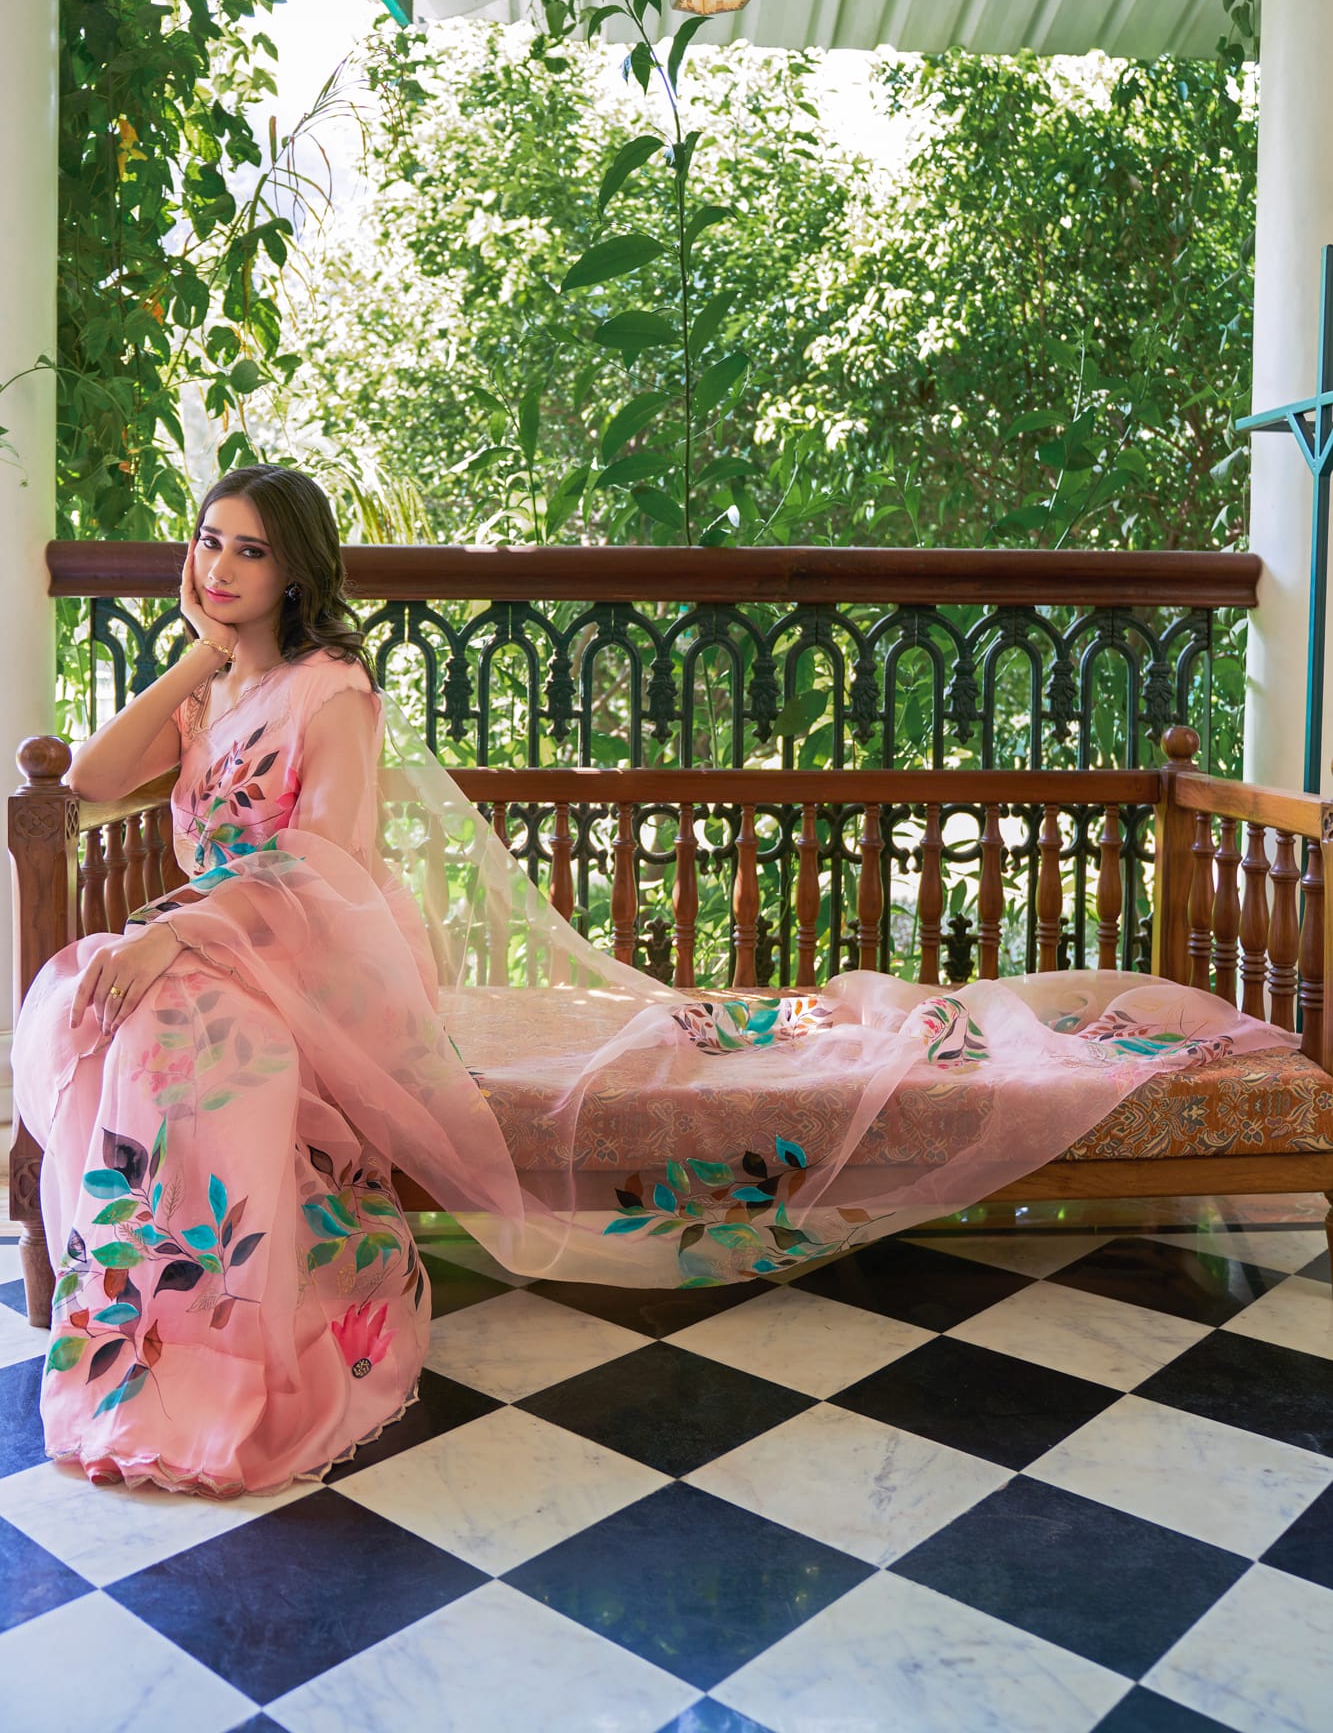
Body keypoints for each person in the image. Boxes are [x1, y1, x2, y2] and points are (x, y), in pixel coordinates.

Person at [12, 465, 1288, 1497]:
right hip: (224, 944)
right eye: (202, 542)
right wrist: (191, 659)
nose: (211, 564)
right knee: (97, 997)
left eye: (240, 548)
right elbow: (92, 781)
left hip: (306, 947)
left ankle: (225, 1344)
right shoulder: (211, 691)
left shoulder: (328, 689)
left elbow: (326, 868)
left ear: (292, 567)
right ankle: (152, 1325)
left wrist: (181, 933)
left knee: (169, 1012)